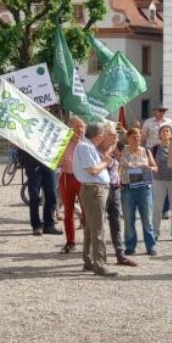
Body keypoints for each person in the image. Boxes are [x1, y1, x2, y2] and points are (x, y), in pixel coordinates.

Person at [72, 123, 118, 277]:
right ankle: (99, 264)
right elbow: (92, 170)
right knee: (98, 228)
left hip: (94, 189)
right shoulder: (85, 147)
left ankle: (89, 261)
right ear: (97, 135)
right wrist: (106, 162)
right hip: (94, 189)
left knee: (91, 228)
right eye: (102, 135)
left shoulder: (88, 146)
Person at [101, 122, 137, 266]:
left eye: (116, 134)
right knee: (98, 224)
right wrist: (110, 150)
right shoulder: (98, 148)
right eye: (112, 134)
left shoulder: (118, 148)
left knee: (116, 222)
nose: (116, 137)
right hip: (102, 189)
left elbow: (124, 161)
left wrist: (117, 151)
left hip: (115, 188)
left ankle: (120, 255)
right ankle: (97, 256)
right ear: (104, 135)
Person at [119, 127, 158, 257]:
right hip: (128, 189)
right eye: (133, 137)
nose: (136, 139)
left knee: (147, 219)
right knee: (129, 220)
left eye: (138, 137)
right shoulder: (122, 151)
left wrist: (150, 168)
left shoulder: (146, 151)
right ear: (128, 138)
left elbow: (155, 167)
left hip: (144, 189)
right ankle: (130, 246)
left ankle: (151, 246)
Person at [58, 116, 87, 253]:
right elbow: (56, 163)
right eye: (77, 126)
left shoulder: (88, 143)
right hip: (67, 178)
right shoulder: (63, 143)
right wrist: (61, 160)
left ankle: (89, 242)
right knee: (68, 212)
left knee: (87, 211)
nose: (80, 129)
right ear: (70, 129)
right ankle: (70, 242)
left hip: (84, 179)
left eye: (82, 126)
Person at [151, 125, 172, 242]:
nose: (165, 132)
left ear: (171, 135)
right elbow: (150, 163)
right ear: (159, 134)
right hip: (159, 180)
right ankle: (154, 232)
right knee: (157, 207)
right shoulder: (154, 149)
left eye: (168, 131)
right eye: (163, 131)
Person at [143, 105, 172, 218]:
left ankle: (165, 209)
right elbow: (143, 137)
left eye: (164, 111)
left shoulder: (170, 122)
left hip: (167, 151)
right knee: (152, 180)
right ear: (155, 111)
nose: (162, 113)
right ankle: (152, 205)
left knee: (168, 178)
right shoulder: (148, 122)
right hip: (152, 151)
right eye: (160, 110)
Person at [22, 144, 60, 237]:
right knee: (34, 197)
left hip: (49, 163)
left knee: (51, 194)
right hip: (32, 164)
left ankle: (49, 224)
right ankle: (36, 225)